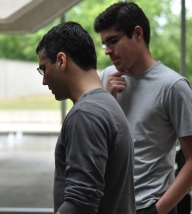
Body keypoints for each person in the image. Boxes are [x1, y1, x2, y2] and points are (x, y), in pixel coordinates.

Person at [93, 2, 192, 214]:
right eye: (104, 44)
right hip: (109, 204)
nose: (107, 50)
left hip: (149, 207)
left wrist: (158, 210)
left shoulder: (173, 86)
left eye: (113, 41)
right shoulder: (107, 77)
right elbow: (95, 142)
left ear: (137, 34)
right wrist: (106, 99)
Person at [35, 21, 135, 214]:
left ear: (62, 60)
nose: (44, 80)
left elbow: (80, 203)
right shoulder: (108, 103)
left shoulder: (86, 114)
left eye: (44, 69)